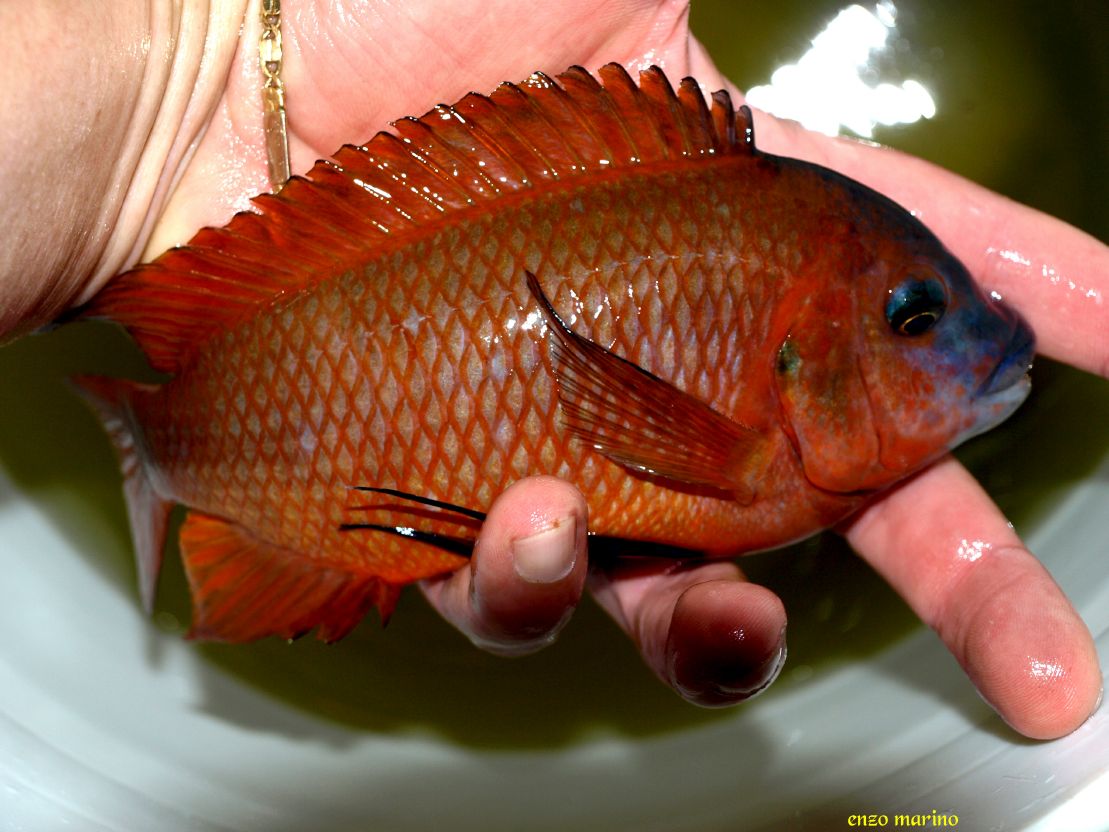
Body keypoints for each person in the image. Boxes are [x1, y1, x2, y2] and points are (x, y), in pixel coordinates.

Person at [2, 0, 1104, 739]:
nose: (960, 339)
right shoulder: (760, 440)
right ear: (798, 350)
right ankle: (159, 444)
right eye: (912, 315)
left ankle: (158, 449)